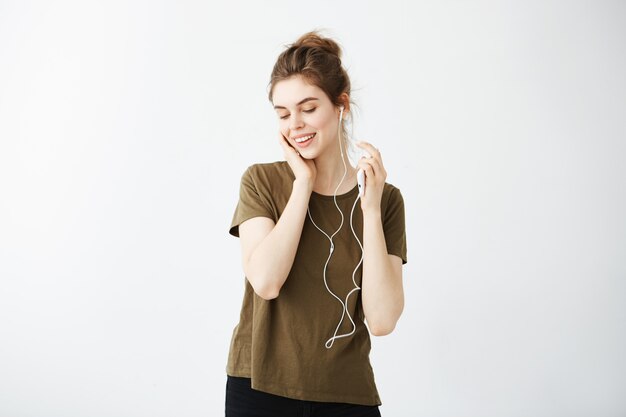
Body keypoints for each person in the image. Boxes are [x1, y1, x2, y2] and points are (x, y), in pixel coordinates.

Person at [224, 30, 408, 417]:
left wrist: (370, 211)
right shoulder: (262, 181)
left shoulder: (384, 200)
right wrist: (303, 184)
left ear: (340, 105)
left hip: (347, 396)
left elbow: (382, 319)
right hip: (259, 388)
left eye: (308, 108)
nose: (296, 124)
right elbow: (266, 282)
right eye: (283, 113)